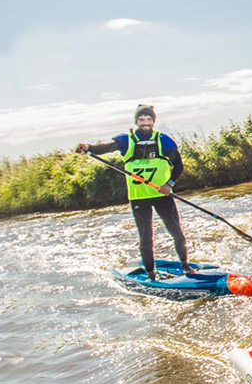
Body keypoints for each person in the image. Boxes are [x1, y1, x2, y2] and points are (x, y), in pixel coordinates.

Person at [75, 105, 190, 279]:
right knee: (146, 238)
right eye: (142, 119)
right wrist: (88, 147)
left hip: (162, 195)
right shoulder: (126, 140)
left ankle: (186, 265)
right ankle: (151, 273)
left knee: (176, 232)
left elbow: (179, 166)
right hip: (139, 198)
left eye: (149, 119)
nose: (145, 123)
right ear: (136, 121)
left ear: (153, 121)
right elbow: (106, 147)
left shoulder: (163, 140)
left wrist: (169, 184)